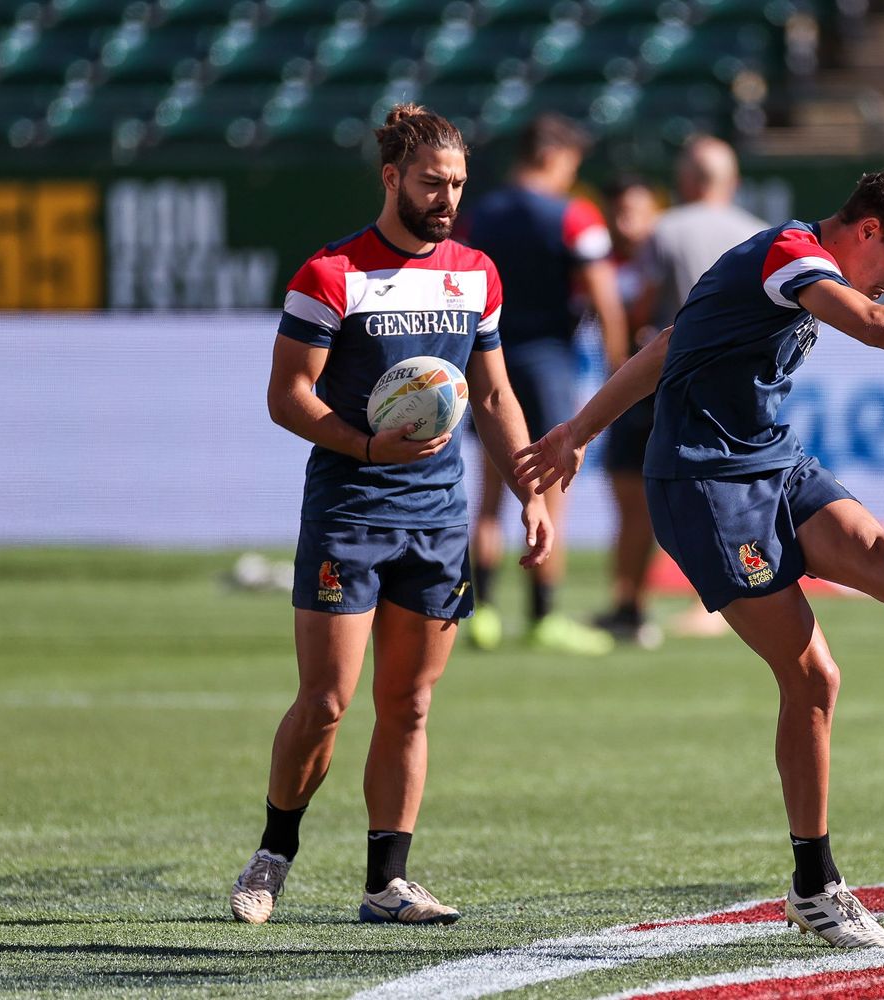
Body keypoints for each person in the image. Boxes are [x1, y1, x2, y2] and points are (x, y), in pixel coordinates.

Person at [514, 167, 884, 949]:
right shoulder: (790, 255)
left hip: (768, 460)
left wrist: (574, 432)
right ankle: (815, 886)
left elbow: (665, 343)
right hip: (702, 486)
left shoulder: (775, 265)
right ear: (865, 234)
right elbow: (871, 325)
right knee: (814, 675)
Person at [229, 104, 551, 925]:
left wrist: (528, 491)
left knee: (408, 704)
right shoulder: (332, 273)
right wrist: (367, 450)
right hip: (349, 508)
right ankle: (274, 852)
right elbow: (286, 397)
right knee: (328, 700)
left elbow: (493, 394)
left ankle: (387, 883)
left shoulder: (476, 272)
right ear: (391, 179)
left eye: (457, 185)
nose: (446, 198)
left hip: (438, 517)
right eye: (431, 183)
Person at [459, 113, 627, 656]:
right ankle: (543, 615)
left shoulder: (479, 214)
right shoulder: (573, 216)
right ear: (554, 156)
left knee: (489, 495)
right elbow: (603, 296)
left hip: (488, 361)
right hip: (551, 362)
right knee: (550, 493)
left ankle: (481, 613)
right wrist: (619, 366)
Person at [594, 136, 768, 645]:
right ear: (731, 182)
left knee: (634, 493)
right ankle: (717, 601)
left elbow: (645, 304)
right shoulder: (761, 234)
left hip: (668, 378)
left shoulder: (665, 229)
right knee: (723, 494)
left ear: (686, 182)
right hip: (738, 386)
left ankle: (630, 604)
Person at [592, 175, 666, 648]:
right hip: (625, 393)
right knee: (628, 505)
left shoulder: (665, 258)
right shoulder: (604, 263)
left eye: (637, 211)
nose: (627, 222)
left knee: (651, 507)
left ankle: (637, 604)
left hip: (659, 392)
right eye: (620, 212)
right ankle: (626, 603)